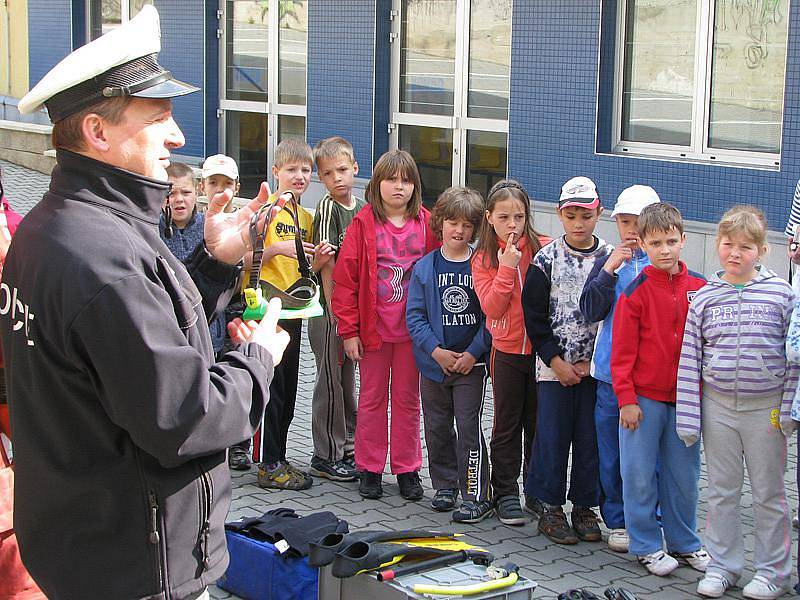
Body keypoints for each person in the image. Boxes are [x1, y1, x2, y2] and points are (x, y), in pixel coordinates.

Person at [6, 7, 288, 599]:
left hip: (83, 551)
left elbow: (132, 342)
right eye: (157, 117)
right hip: (133, 567)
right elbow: (185, 418)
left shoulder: (50, 228)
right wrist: (259, 358)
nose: (177, 135)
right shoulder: (100, 252)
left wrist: (212, 262)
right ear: (98, 132)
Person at [678, 206, 795, 599]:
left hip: (767, 409)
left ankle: (774, 573)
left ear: (762, 250)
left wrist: (791, 410)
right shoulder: (705, 298)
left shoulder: (782, 295)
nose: (735, 253)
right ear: (717, 245)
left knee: (768, 493)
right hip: (718, 408)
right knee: (723, 491)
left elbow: (793, 355)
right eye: (728, 244)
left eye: (746, 247)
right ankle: (723, 565)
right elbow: (690, 360)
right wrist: (690, 419)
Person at [332, 149, 439, 500]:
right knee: (373, 399)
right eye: (391, 180)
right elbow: (345, 283)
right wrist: (349, 331)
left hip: (413, 334)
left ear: (415, 186)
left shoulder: (427, 224)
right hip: (373, 332)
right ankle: (370, 466)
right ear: (377, 184)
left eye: (406, 180)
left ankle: (408, 468)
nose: (399, 187)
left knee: (408, 401)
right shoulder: (363, 224)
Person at [611, 202, 709, 577]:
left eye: (671, 241)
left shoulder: (700, 288)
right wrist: (627, 400)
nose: (665, 249)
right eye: (656, 243)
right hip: (643, 400)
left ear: (683, 240)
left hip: (685, 400)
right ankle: (646, 545)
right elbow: (622, 354)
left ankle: (685, 543)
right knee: (637, 474)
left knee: (683, 476)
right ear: (644, 246)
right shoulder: (634, 292)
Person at [522, 176, 613, 544]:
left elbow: (614, 315)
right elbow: (534, 315)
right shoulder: (546, 259)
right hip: (553, 370)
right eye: (571, 215)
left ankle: (584, 507)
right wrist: (555, 360)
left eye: (586, 215)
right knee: (553, 438)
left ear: (598, 213)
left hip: (595, 370)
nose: (579, 223)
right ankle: (549, 506)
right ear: (560, 214)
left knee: (590, 441)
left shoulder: (610, 257)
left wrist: (594, 364)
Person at [246, 138, 334, 491]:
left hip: (296, 310)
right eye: (292, 170)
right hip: (268, 310)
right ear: (276, 172)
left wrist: (322, 260)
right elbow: (247, 262)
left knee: (289, 389)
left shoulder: (306, 217)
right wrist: (274, 249)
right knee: (273, 389)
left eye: (306, 170)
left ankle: (279, 457)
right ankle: (268, 463)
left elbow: (305, 268)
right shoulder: (265, 211)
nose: (300, 176)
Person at [579, 184, 661, 552]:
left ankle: (650, 516)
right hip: (609, 376)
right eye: (624, 222)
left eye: (637, 222)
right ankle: (617, 518)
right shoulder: (608, 260)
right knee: (610, 451)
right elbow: (590, 310)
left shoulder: (663, 264)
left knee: (647, 454)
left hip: (649, 380)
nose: (630, 230)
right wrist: (608, 272)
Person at [406, 187, 492, 523]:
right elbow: (414, 316)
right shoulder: (426, 267)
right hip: (433, 366)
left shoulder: (481, 265)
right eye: (452, 222)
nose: (459, 230)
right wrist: (435, 351)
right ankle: (444, 484)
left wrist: (472, 354)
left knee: (469, 427)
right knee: (437, 426)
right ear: (439, 223)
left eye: (467, 225)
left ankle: (474, 492)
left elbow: (490, 318)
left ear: (475, 229)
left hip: (470, 367)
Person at [471, 179, 546, 525]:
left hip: (542, 352)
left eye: (518, 216)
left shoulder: (544, 249)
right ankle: (504, 492)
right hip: (506, 350)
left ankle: (537, 489)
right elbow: (492, 307)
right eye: (504, 217)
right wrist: (506, 267)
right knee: (507, 423)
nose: (512, 225)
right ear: (489, 218)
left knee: (540, 424)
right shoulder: (484, 257)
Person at [307, 136, 364, 482]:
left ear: (355, 169)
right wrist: (336, 315)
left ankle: (349, 446)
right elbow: (326, 264)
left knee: (346, 381)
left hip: (349, 313)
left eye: (342, 170)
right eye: (328, 174)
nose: (337, 178)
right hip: (329, 311)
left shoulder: (361, 209)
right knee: (329, 380)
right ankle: (325, 454)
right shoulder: (328, 209)